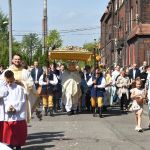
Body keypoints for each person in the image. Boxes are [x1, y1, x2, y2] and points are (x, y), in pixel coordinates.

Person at [1, 54, 38, 122]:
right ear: (12, 60)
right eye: (15, 59)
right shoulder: (7, 71)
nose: (17, 61)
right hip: (9, 97)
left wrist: (21, 82)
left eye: (18, 59)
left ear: (21, 60)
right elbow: (1, 83)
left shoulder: (25, 72)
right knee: (9, 119)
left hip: (21, 97)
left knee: (21, 117)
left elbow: (31, 84)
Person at [2, 70, 27, 150]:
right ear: (5, 79)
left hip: (18, 113)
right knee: (9, 132)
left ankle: (18, 145)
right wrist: (8, 108)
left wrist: (15, 108)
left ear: (13, 78)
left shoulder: (19, 88)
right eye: (7, 81)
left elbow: (22, 100)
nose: (9, 83)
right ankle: (11, 144)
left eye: (10, 81)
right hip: (7, 113)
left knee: (18, 131)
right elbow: (2, 99)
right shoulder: (3, 88)